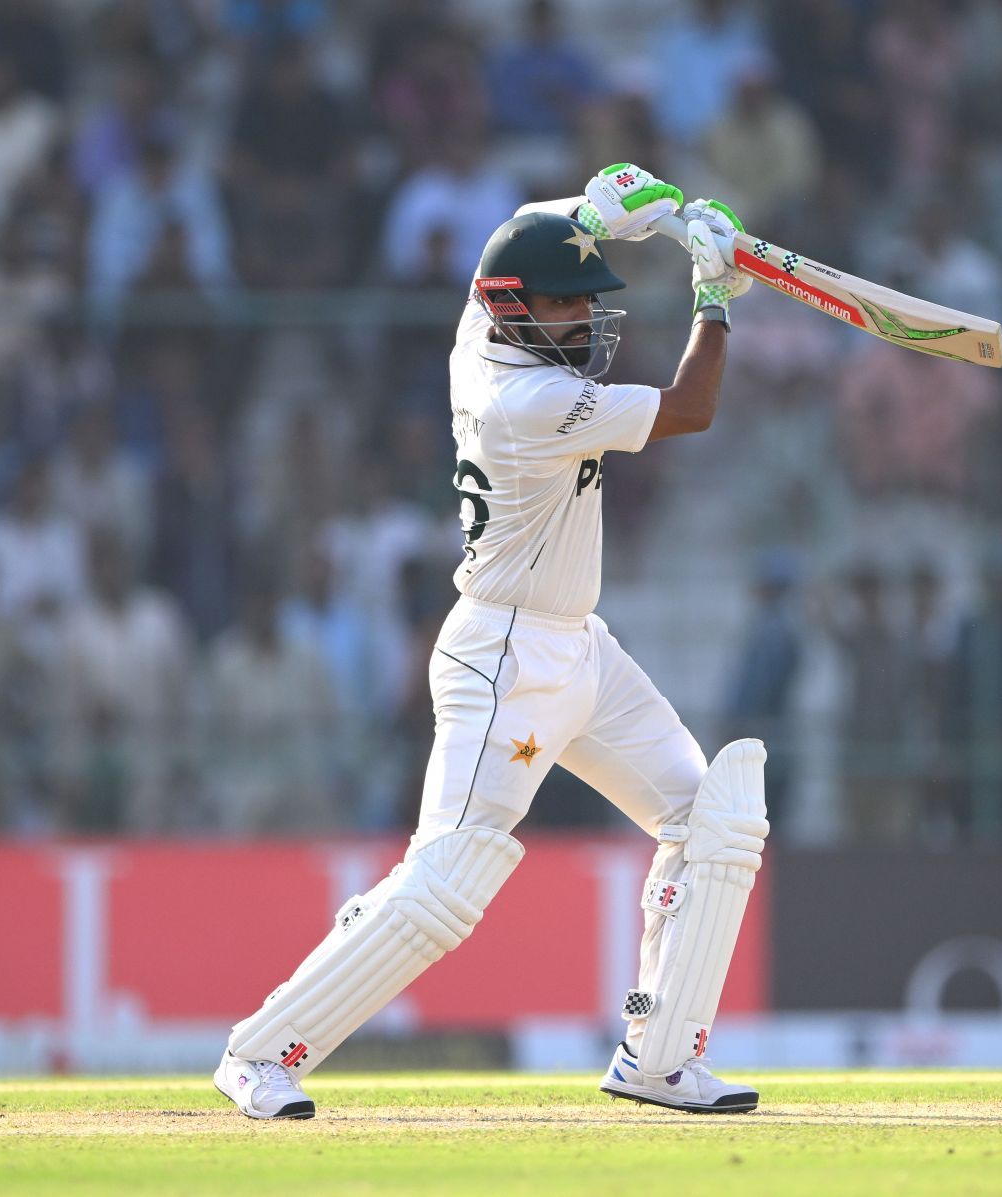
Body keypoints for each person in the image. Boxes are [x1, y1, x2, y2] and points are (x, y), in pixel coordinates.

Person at [215, 165, 767, 1119]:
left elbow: (515, 232)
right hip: (505, 660)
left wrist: (600, 213)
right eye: (568, 308)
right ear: (517, 313)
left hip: (579, 648)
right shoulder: (528, 404)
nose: (588, 324)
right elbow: (691, 408)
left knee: (712, 818)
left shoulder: (483, 327)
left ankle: (658, 1054)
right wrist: (713, 297)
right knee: (449, 878)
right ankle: (262, 1051)